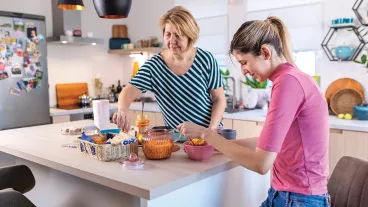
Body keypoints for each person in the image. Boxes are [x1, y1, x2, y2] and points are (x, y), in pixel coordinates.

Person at [177, 16, 330, 207]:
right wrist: (218, 145)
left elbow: (261, 163)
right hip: (288, 195)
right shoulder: (293, 78)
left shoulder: (288, 83)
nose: (243, 71)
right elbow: (269, 144)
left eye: (244, 62)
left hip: (298, 199)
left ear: (265, 52)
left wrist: (206, 134)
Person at [113, 6, 226, 132]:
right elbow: (127, 92)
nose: (172, 40)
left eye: (178, 35)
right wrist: (122, 109)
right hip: (176, 140)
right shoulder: (154, 66)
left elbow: (219, 99)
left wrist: (211, 131)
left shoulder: (206, 60)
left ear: (190, 35)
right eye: (168, 34)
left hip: (208, 137)